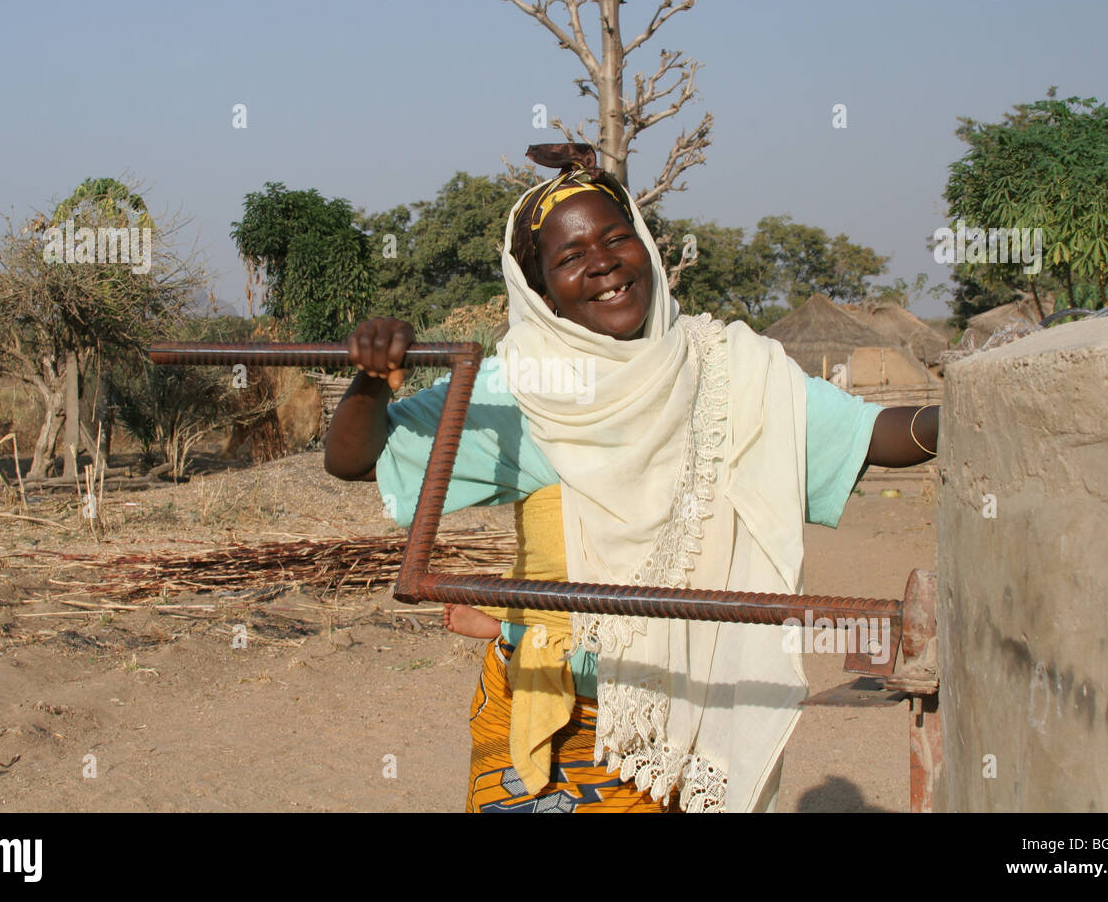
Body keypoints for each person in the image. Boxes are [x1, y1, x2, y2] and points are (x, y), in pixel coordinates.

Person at [325, 143, 938, 813]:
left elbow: (871, 433)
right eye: (569, 256)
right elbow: (357, 459)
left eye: (617, 238)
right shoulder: (519, 391)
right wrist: (370, 378)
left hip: (680, 719)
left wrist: (968, 413)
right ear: (541, 290)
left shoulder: (728, 370)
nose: (603, 263)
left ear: (645, 244)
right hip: (549, 720)